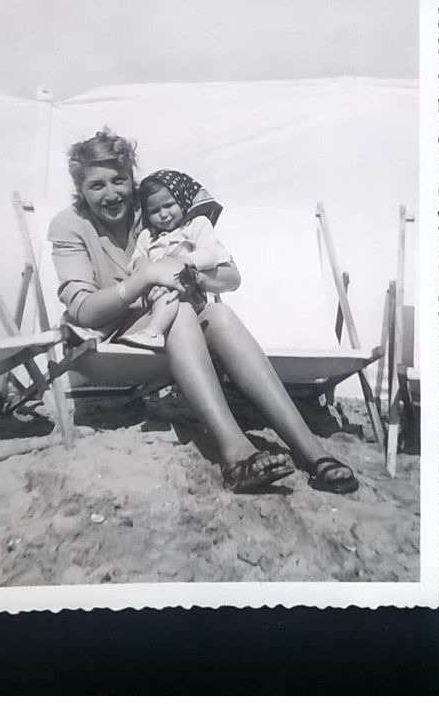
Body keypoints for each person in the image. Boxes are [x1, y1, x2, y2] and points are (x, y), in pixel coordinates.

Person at [47, 129, 359, 494]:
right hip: (108, 341)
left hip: (170, 332)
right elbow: (83, 310)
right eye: (97, 185)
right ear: (80, 190)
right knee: (179, 309)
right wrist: (146, 276)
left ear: (132, 178)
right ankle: (236, 453)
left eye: (119, 180)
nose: (112, 193)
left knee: (220, 316)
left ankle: (311, 452)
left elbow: (229, 275)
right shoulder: (70, 226)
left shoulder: (152, 209)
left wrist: (190, 269)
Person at [115, 169, 227, 351]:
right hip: (157, 292)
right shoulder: (147, 235)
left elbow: (211, 254)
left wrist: (181, 261)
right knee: (146, 296)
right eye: (154, 211)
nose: (163, 214)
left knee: (170, 291)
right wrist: (142, 264)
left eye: (168, 205)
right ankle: (102, 332)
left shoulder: (196, 225)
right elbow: (134, 262)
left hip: (192, 290)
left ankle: (153, 332)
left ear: (182, 201)